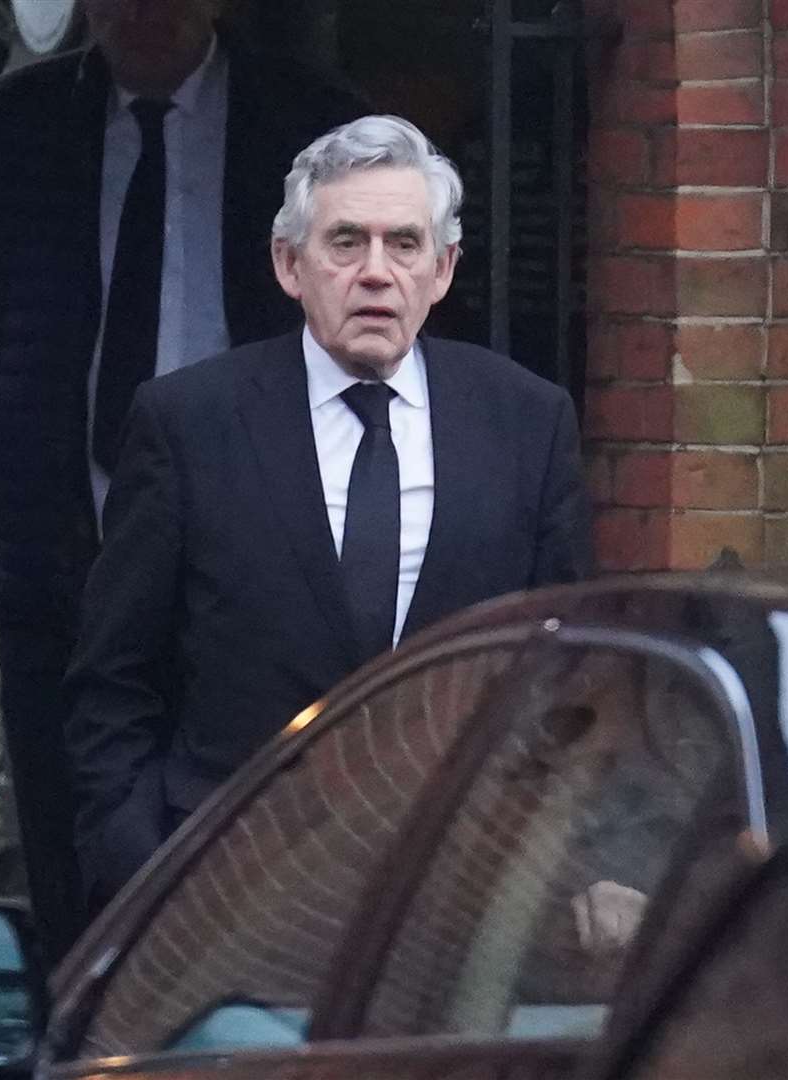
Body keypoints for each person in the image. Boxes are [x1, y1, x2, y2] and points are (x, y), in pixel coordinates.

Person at [0, 0, 362, 954]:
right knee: (81, 908)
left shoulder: (313, 132)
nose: (145, 11)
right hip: (61, 578)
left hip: (257, 581)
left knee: (248, 894)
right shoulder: (15, 126)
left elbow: (387, 337)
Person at [64, 114, 595, 904]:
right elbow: (112, 683)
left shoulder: (527, 424)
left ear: (443, 270)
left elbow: (568, 682)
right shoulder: (190, 424)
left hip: (460, 896)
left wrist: (570, 872)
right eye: (346, 242)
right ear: (290, 263)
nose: (376, 272)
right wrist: (147, 878)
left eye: (404, 244)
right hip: (231, 895)